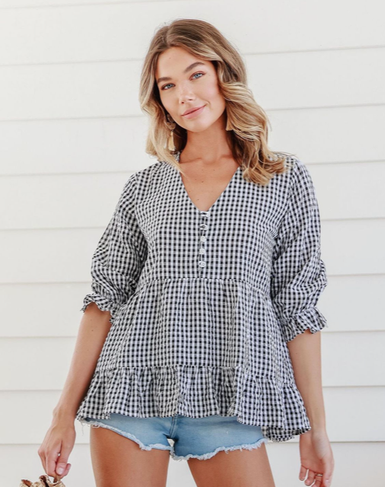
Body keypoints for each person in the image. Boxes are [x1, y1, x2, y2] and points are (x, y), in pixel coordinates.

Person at [38, 18, 334, 487]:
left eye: (196, 74)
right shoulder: (145, 187)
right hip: (130, 389)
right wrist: (62, 416)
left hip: (231, 398)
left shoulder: (283, 178)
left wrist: (316, 429)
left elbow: (297, 310)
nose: (184, 95)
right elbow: (105, 300)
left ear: (223, 74)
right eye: (168, 85)